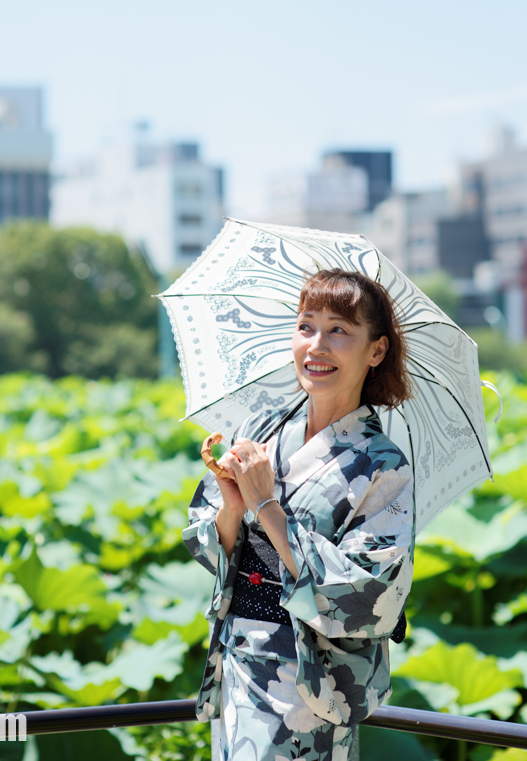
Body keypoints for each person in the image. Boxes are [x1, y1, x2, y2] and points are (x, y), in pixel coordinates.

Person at [184, 269, 416, 761]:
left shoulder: (383, 465)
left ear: (376, 350)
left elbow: (370, 593)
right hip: (237, 659)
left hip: (310, 684)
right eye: (306, 326)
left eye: (339, 331)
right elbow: (208, 544)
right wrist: (232, 506)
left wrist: (267, 506)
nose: (317, 345)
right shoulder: (262, 426)